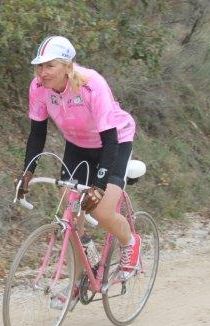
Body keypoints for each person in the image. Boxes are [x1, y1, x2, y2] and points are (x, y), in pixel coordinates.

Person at [17, 35, 140, 279]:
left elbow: (110, 139)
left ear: (67, 66)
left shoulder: (91, 85)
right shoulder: (38, 88)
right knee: (72, 212)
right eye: (39, 66)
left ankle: (130, 242)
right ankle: (84, 270)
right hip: (77, 145)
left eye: (50, 65)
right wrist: (27, 172)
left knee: (101, 212)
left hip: (113, 143)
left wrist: (99, 185)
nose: (42, 72)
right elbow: (37, 133)